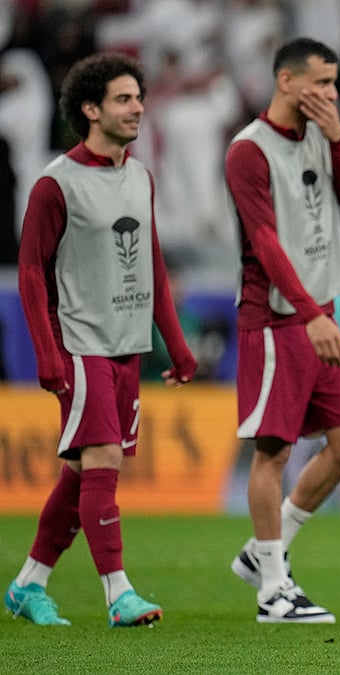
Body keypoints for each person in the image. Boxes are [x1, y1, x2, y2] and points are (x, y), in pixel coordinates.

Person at [5, 52, 196, 627]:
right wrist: (46, 351)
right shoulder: (55, 184)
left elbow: (154, 265)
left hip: (127, 346)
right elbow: (31, 271)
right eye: (123, 98)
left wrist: (176, 344)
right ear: (91, 110)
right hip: (81, 343)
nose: (137, 107)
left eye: (138, 96)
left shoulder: (140, 175)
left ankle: (27, 584)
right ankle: (119, 594)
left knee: (84, 472)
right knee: (104, 460)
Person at [224, 37, 340, 624]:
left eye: (335, 84)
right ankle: (273, 592)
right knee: (274, 448)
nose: (330, 94)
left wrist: (338, 136)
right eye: (321, 83)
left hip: (320, 311)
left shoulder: (321, 135)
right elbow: (264, 241)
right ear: (286, 81)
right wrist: (309, 314)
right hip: (277, 317)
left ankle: (266, 548)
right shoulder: (248, 151)